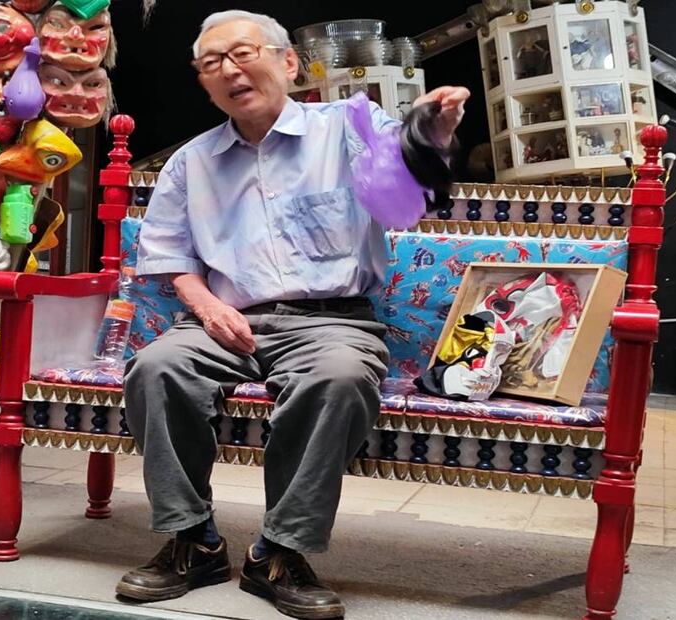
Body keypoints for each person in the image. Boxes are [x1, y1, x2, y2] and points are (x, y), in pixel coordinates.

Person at [115, 10, 468, 619]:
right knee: (158, 367)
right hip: (222, 320)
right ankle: (193, 540)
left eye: (243, 53)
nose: (229, 70)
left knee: (338, 377)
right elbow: (169, 254)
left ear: (287, 63)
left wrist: (433, 134)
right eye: (210, 64)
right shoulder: (190, 163)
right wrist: (205, 305)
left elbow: (407, 188)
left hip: (331, 319)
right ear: (203, 84)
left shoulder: (348, 127)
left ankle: (279, 551)